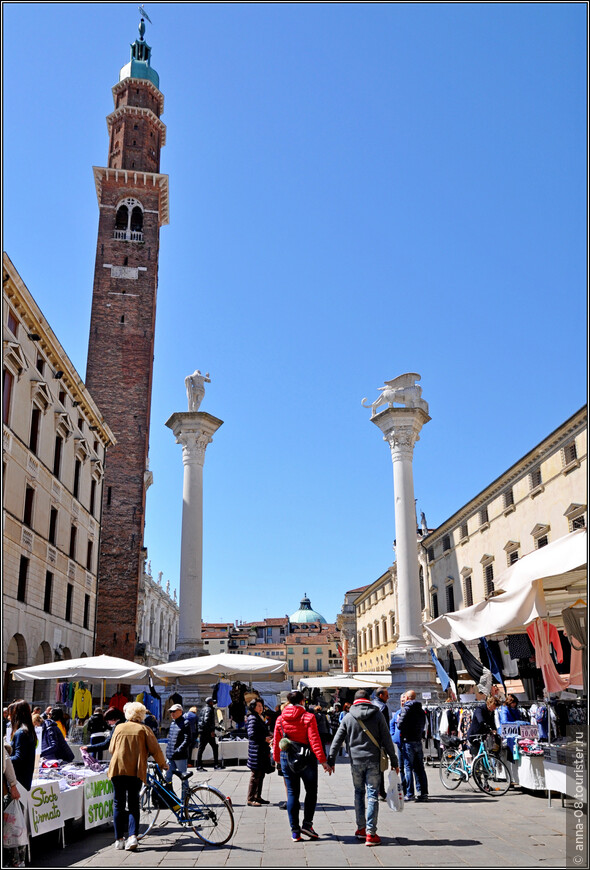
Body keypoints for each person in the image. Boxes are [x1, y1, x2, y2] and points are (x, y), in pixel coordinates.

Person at [328, 689, 399, 848]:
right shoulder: (378, 715)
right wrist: (394, 761)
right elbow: (387, 739)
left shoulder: (348, 716)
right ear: (369, 700)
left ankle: (361, 828)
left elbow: (337, 739)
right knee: (373, 794)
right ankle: (370, 833)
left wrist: (331, 760)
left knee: (359, 793)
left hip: (355, 761)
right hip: (373, 760)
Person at [107, 702, 168, 852]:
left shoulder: (119, 728)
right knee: (134, 803)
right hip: (135, 770)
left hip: (118, 769)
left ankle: (119, 839)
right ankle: (133, 836)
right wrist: (163, 764)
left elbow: (111, 749)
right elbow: (155, 749)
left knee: (118, 803)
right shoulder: (144, 729)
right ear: (141, 715)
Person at [273, 690, 332, 842]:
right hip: (306, 757)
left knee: (292, 793)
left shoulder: (280, 719)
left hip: (287, 757)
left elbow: (277, 740)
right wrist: (323, 761)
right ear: (303, 701)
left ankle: (295, 831)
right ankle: (307, 825)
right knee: (311, 791)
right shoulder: (308, 717)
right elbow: (314, 740)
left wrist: (277, 759)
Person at [396, 689, 428, 802]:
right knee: (420, 768)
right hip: (418, 740)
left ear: (408, 698)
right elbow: (424, 724)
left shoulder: (406, 709)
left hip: (408, 740)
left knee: (408, 767)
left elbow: (400, 725)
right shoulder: (420, 709)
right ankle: (423, 792)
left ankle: (410, 793)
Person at [246, 698, 272, 806]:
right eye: (258, 706)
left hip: (261, 750)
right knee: (255, 774)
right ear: (253, 707)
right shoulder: (252, 718)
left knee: (261, 774)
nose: (261, 708)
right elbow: (252, 734)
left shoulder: (259, 717)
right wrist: (264, 738)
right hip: (256, 750)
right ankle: (250, 798)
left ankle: (258, 796)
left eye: (261, 706)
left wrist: (269, 735)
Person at [9, 701, 36, 792]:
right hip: (23, 782)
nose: (9, 718)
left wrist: (5, 760)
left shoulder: (22, 733)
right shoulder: (28, 731)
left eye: (10, 714)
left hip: (19, 782)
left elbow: (19, 758)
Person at [165, 704, 191, 799]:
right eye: (171, 712)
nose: (172, 713)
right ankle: (169, 798)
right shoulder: (172, 723)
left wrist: (179, 750)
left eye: (174, 711)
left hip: (180, 756)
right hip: (170, 755)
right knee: (167, 777)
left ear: (180, 711)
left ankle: (185, 799)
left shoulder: (185, 723)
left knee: (183, 778)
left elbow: (187, 739)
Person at [498, 694, 528, 762]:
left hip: (514, 730)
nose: (514, 704)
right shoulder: (504, 709)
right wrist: (518, 723)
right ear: (509, 703)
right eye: (513, 703)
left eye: (515, 703)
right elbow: (504, 722)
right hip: (506, 732)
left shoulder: (515, 709)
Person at [373, 688, 390, 801]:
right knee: (380, 768)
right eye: (386, 695)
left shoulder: (369, 705)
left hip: (368, 740)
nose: (388, 697)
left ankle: (373, 791)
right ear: (380, 695)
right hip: (379, 741)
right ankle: (381, 792)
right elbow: (385, 728)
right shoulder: (383, 707)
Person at [390, 693, 408, 796]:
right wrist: (393, 735)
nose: (402, 701)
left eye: (404, 699)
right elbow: (392, 723)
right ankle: (404, 787)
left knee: (409, 767)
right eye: (401, 700)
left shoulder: (409, 712)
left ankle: (409, 790)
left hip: (408, 742)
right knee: (401, 767)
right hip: (400, 743)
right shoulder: (398, 712)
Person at [196, 697, 221, 770]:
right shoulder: (209, 709)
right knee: (214, 747)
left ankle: (199, 766)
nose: (214, 703)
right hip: (207, 732)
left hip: (203, 731)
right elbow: (206, 721)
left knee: (201, 748)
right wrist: (211, 731)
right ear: (210, 703)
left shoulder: (203, 709)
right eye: (212, 702)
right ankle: (216, 765)